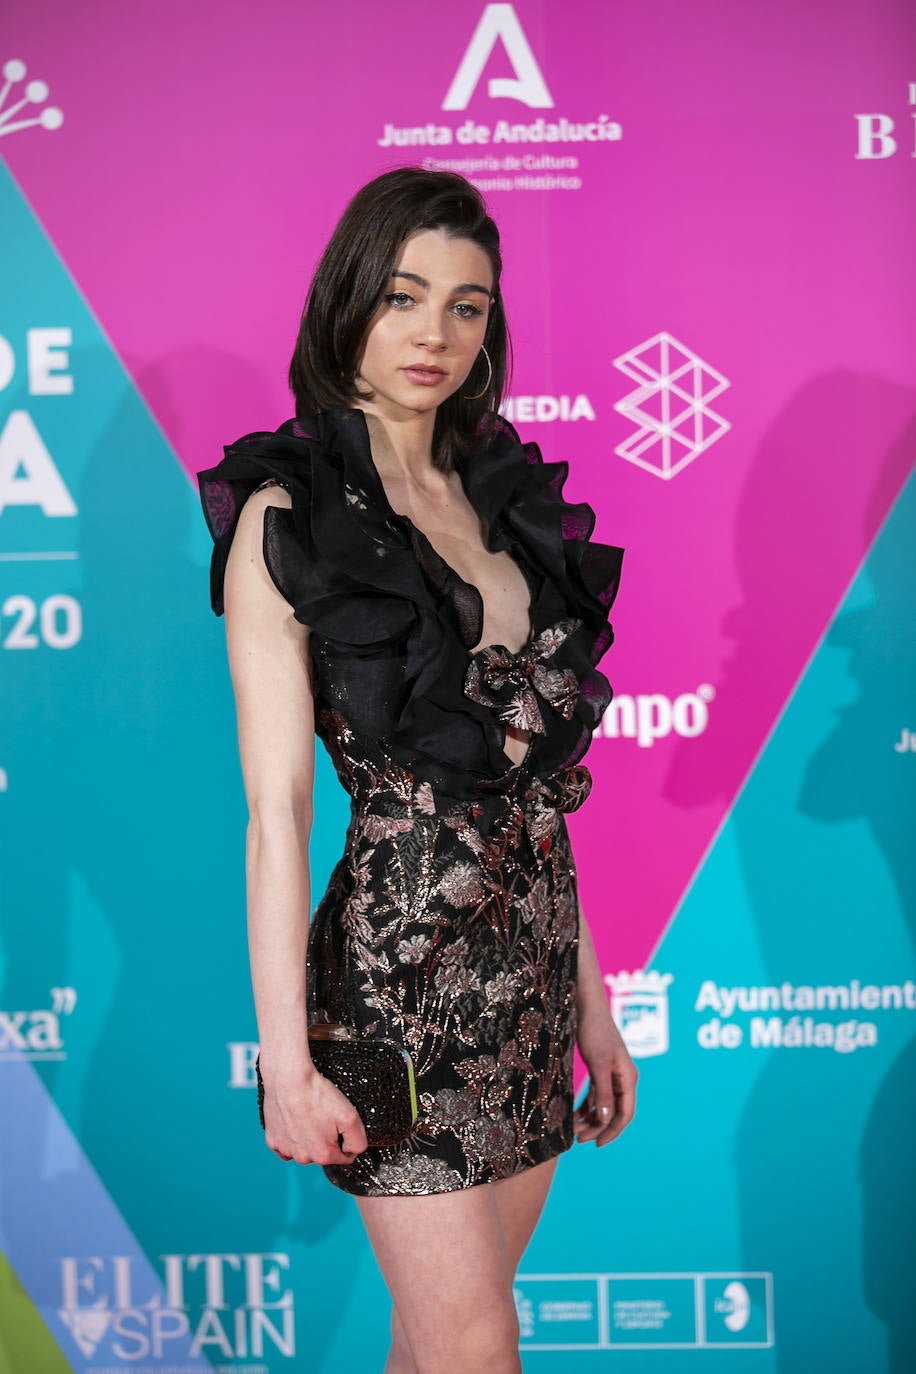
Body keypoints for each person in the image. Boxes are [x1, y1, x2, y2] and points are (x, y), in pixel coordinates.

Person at [198, 166, 637, 1374]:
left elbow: (538, 799)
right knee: (472, 1346)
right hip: (400, 985)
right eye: (403, 296)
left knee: (440, 1336)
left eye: (467, 304)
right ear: (347, 299)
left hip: (534, 977)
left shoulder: (502, 500)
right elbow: (278, 816)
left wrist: (592, 1004)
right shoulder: (286, 514)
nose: (436, 333)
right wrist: (283, 1065)